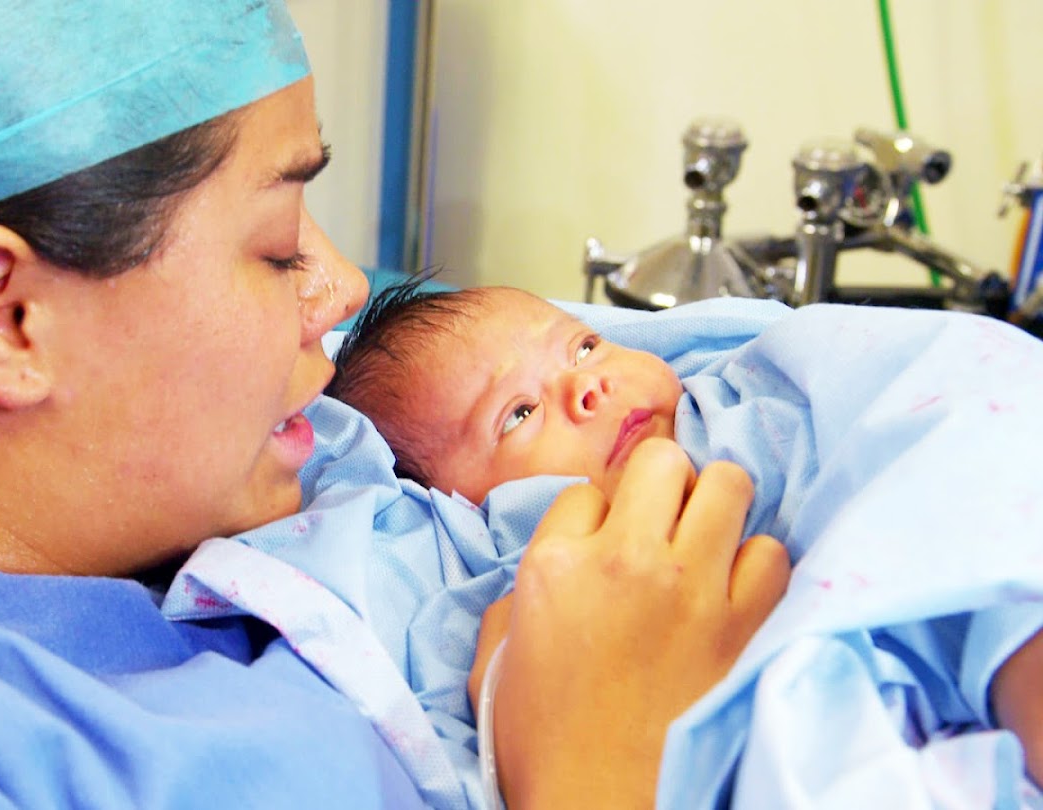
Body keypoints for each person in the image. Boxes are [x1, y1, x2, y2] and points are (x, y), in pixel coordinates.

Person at [0, 2, 789, 808]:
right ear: (6, 317)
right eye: (278, 246)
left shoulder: (270, 478)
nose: (338, 293)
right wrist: (599, 765)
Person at [319, 277, 1043, 796]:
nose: (588, 387)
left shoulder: (749, 412)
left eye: (583, 347)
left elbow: (927, 443)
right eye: (517, 414)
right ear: (459, 504)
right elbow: (503, 711)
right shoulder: (513, 572)